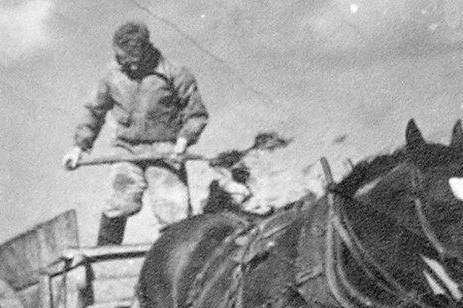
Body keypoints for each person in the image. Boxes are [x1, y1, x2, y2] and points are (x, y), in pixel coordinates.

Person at [63, 21, 208, 244]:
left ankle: (175, 261)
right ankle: (105, 255)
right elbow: (94, 111)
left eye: (134, 62)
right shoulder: (112, 75)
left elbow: (196, 113)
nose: (129, 67)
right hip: (127, 151)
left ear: (146, 50)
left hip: (165, 151)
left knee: (174, 212)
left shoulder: (175, 73)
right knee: (118, 202)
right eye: (123, 61)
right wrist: (78, 147)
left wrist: (183, 141)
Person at [205, 132, 324, 216]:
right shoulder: (249, 161)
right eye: (270, 148)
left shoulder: (262, 162)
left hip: (282, 203)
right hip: (263, 207)